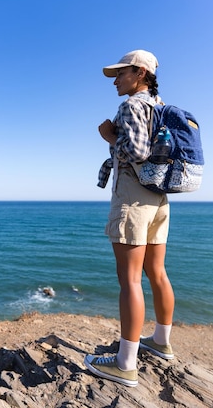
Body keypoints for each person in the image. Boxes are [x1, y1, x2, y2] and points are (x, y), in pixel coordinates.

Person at [84, 50, 175, 387]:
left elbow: (135, 151)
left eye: (120, 74)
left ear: (139, 73)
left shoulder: (132, 105)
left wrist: (109, 137)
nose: (116, 81)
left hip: (133, 199)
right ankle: (161, 341)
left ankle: (124, 364)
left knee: (131, 281)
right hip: (159, 198)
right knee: (157, 272)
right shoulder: (160, 106)